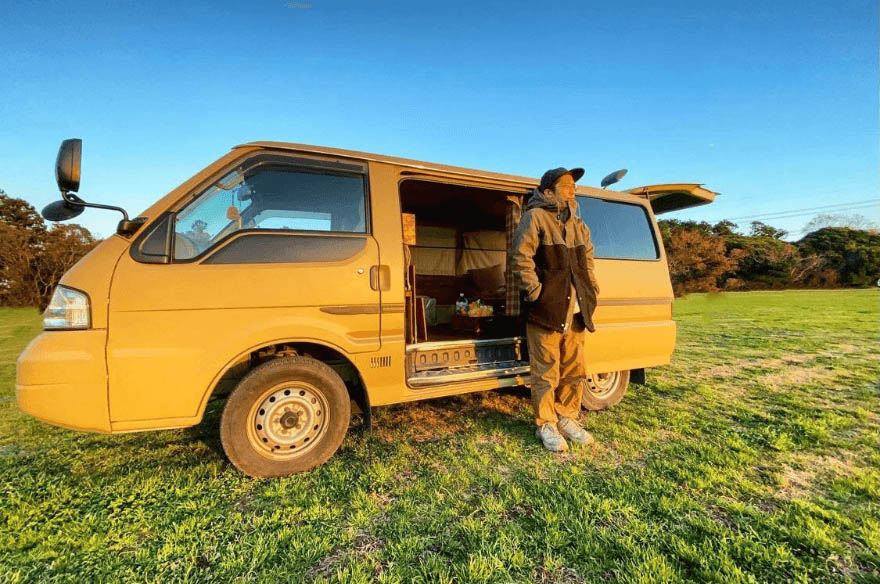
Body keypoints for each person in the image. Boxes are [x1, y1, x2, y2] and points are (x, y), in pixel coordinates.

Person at [510, 167, 600, 452]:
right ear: (548, 191)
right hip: (546, 310)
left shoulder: (578, 224)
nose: (573, 189)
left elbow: (588, 261)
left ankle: (567, 417)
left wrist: (591, 289)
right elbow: (519, 257)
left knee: (574, 369)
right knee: (546, 372)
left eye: (574, 186)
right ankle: (545, 424)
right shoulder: (534, 217)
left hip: (575, 311)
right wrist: (537, 293)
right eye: (566, 185)